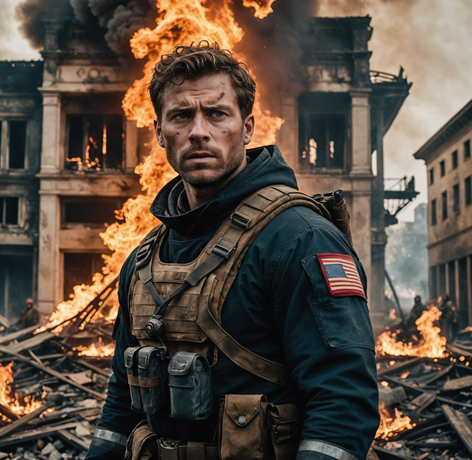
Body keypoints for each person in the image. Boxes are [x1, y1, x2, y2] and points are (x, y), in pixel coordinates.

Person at [86, 42, 379, 460]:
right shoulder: (142, 260)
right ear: (159, 132)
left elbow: (344, 402)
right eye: (181, 116)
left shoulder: (299, 239)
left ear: (247, 128)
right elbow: (120, 401)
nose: (198, 131)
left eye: (217, 114)